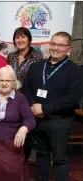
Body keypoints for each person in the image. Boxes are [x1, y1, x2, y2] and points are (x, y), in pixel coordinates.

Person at [22, 32, 83, 181]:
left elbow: (71, 99)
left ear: (69, 48)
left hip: (60, 122)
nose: (56, 48)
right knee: (41, 156)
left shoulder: (76, 71)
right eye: (53, 44)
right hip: (37, 120)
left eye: (61, 45)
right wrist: (33, 107)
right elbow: (26, 89)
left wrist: (44, 109)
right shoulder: (36, 66)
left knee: (59, 159)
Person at [0, 65, 35, 181]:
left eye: (8, 81)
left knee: (13, 169)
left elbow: (29, 118)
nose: (4, 84)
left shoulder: (20, 98)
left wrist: (23, 129)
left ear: (13, 82)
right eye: (1, 80)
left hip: (11, 142)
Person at [7, 27, 43, 162]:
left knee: (26, 134)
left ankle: (22, 164)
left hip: (27, 100)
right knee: (11, 131)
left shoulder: (37, 59)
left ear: (29, 39)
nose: (20, 40)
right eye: (17, 37)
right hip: (10, 99)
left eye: (23, 37)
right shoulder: (11, 56)